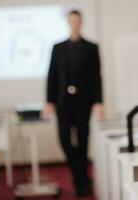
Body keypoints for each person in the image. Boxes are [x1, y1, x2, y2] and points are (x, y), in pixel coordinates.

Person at [44, 9, 104, 197]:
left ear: (81, 22)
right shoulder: (58, 47)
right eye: (71, 20)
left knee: (83, 141)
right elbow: (51, 76)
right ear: (68, 23)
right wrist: (49, 101)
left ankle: (80, 182)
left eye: (77, 20)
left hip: (83, 102)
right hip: (63, 103)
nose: (74, 23)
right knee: (65, 141)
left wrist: (99, 102)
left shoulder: (91, 47)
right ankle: (82, 176)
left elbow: (96, 77)